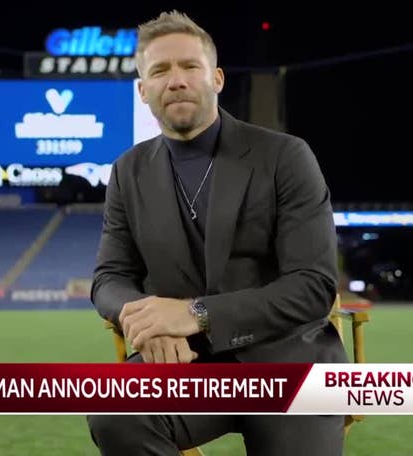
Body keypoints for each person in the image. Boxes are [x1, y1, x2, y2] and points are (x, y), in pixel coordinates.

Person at [87, 10, 347, 455]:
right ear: (143, 90)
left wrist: (197, 314)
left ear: (218, 78)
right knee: (116, 413)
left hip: (289, 359)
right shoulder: (127, 171)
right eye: (160, 71)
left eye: (190, 66)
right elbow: (108, 279)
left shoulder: (285, 156)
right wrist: (149, 321)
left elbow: (314, 287)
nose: (176, 80)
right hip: (187, 362)